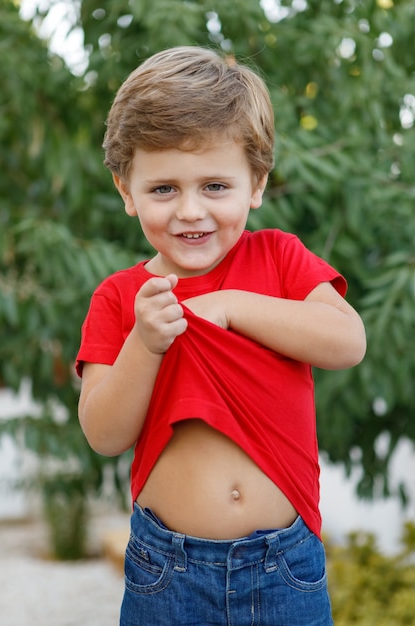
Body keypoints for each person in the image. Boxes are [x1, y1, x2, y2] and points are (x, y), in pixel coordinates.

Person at [76, 46, 366, 626]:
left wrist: (232, 304)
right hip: (167, 570)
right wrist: (145, 343)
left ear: (255, 183)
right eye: (163, 189)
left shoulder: (281, 260)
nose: (190, 211)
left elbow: (347, 341)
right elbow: (105, 434)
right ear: (126, 189)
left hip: (283, 564)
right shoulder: (121, 298)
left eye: (215, 186)